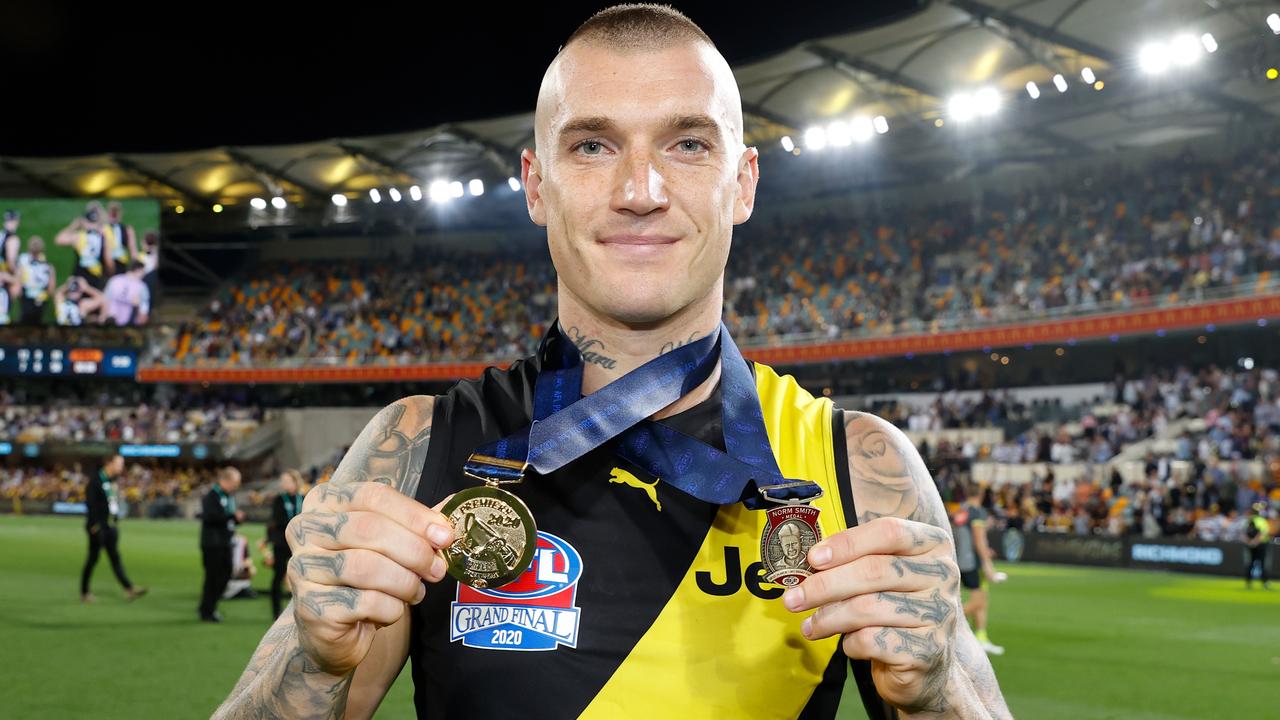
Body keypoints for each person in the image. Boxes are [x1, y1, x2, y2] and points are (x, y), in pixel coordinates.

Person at [213, 6, 1008, 719]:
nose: (641, 189)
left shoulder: (858, 466)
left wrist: (937, 694)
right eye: (592, 145)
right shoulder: (418, 449)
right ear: (535, 184)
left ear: (743, 183)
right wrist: (317, 665)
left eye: (689, 143)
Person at [80, 453, 147, 602]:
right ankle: (84, 592)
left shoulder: (112, 481)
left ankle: (129, 588)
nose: (121, 467)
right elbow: (91, 505)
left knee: (115, 558)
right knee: (92, 559)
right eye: (119, 463)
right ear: (109, 463)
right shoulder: (96, 481)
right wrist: (95, 526)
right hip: (99, 528)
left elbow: (112, 503)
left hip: (111, 526)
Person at [953, 483, 1005, 655]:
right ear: (981, 494)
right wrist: (988, 565)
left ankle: (981, 638)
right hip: (972, 562)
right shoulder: (977, 512)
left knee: (981, 599)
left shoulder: (961, 511)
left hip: (957, 559)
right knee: (979, 602)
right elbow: (979, 539)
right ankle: (947, 625)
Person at [200, 466, 244, 622]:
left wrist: (235, 519)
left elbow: (226, 519)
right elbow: (210, 517)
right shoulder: (212, 496)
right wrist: (231, 516)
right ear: (226, 480)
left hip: (225, 542)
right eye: (235, 482)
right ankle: (207, 610)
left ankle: (210, 606)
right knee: (212, 577)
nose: (236, 486)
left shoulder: (228, 496)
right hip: (212, 543)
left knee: (225, 575)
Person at [262, 469, 304, 618]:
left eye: (286, 480)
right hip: (281, 543)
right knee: (278, 576)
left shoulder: (303, 498)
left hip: (299, 544)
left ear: (295, 481)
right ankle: (276, 612)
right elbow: (277, 520)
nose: (283, 483)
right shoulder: (279, 500)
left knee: (301, 578)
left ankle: (302, 610)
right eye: (282, 481)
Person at [1244, 502, 1271, 589]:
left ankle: (1248, 582)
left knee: (1251, 563)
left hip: (1251, 545)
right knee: (1262, 564)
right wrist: (1255, 542)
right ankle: (1265, 583)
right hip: (1261, 544)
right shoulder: (1262, 520)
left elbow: (1243, 533)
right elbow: (1262, 533)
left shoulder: (1249, 520)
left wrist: (1250, 542)